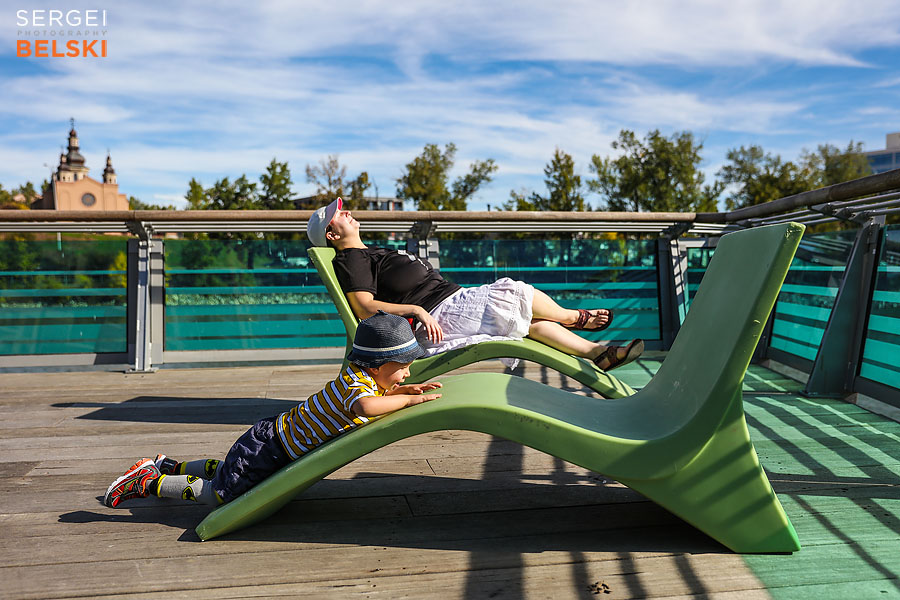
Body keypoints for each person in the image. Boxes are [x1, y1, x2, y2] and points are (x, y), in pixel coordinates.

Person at [103, 312, 442, 508]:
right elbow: (366, 405)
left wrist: (399, 389)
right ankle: (150, 481)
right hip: (270, 448)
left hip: (268, 440)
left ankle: (168, 464)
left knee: (227, 469)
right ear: (377, 364)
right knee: (219, 494)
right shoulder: (357, 388)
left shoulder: (361, 376)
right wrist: (410, 400)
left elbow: (374, 394)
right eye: (403, 367)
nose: (408, 373)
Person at [307, 197, 643, 372]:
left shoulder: (368, 252)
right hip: (440, 316)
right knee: (514, 292)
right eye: (338, 214)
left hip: (450, 303)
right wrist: (415, 310)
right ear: (332, 235)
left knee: (530, 323)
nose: (346, 211)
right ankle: (572, 317)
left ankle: (599, 354)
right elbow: (363, 307)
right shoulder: (351, 259)